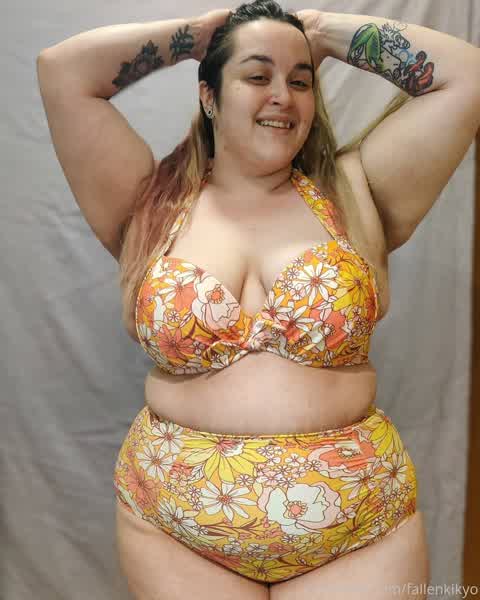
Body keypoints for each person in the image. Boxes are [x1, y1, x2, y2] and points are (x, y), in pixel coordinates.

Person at [36, 0, 480, 597]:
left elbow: (467, 75)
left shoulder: (355, 192)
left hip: (357, 525)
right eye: (256, 75)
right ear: (209, 96)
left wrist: (320, 32)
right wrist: (200, 35)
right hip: (179, 527)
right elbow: (63, 70)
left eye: (300, 81)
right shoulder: (148, 201)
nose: (282, 96)